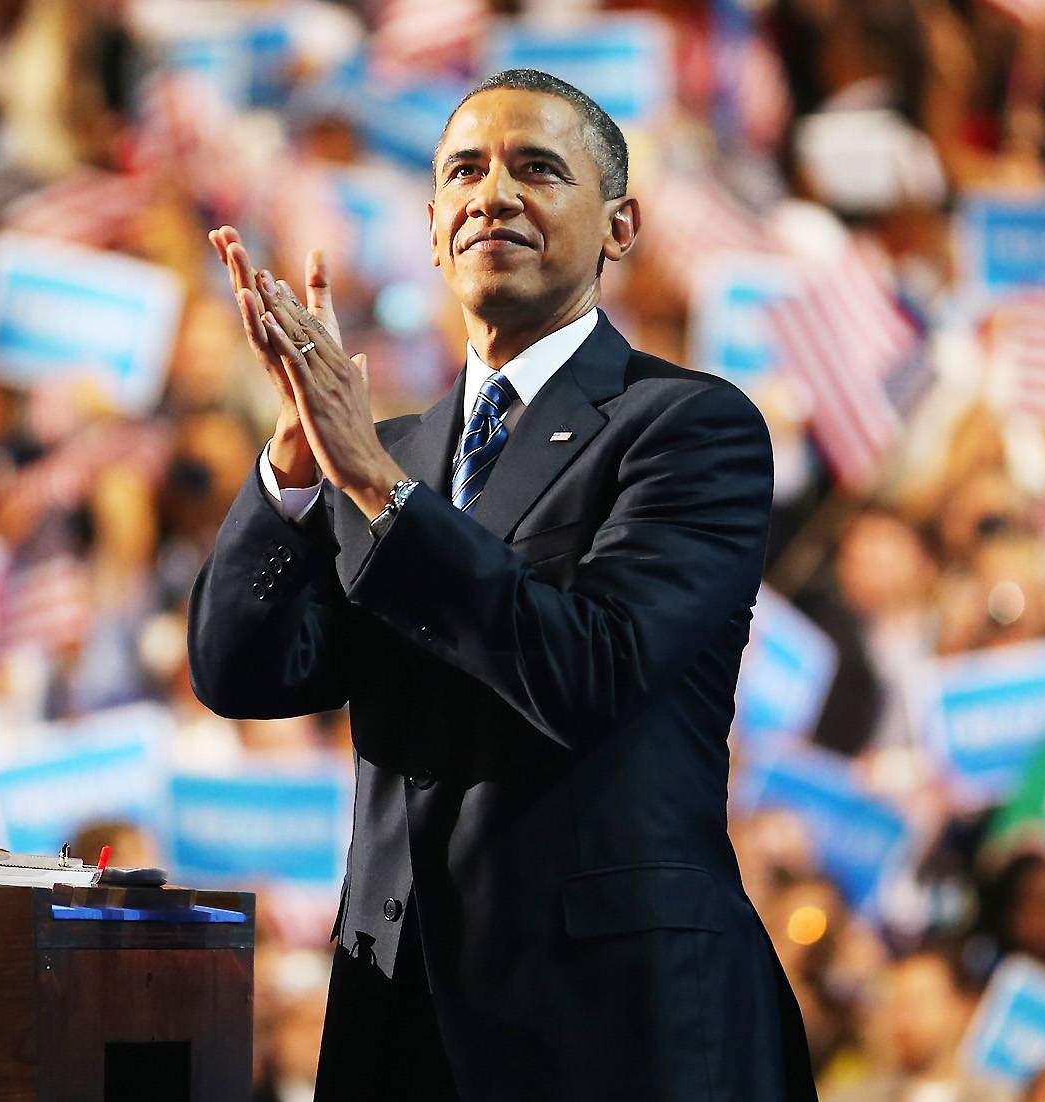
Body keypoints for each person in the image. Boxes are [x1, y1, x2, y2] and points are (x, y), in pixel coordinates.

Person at [187, 69, 815, 1099]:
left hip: (614, 1024)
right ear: (435, 233)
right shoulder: (380, 452)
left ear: (619, 226)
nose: (493, 195)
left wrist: (375, 486)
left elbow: (592, 668)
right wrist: (296, 461)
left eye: (537, 169)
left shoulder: (690, 427)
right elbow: (242, 673)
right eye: (466, 172)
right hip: (399, 1016)